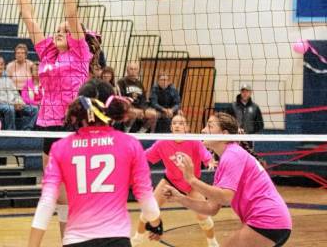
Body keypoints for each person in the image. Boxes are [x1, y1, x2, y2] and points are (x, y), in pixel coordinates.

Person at [3, 0, 93, 235]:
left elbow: (71, 14)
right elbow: (29, 18)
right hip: (48, 124)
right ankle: (68, 237)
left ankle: (83, 232)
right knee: (52, 185)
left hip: (74, 123)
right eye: (57, 30)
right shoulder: (47, 53)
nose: (59, 31)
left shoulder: (80, 52)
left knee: (76, 183)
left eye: (64, 31)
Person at [28, 80, 161, 247]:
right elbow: (145, 196)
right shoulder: (129, 144)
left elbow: (47, 202)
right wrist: (156, 223)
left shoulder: (61, 148)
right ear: (112, 106)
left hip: (77, 240)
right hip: (117, 239)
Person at [164, 112, 292, 247]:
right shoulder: (226, 160)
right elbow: (211, 208)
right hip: (273, 222)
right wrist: (179, 198)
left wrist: (191, 180)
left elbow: (226, 197)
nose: (203, 130)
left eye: (210, 126)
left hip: (267, 220)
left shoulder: (233, 154)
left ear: (224, 134)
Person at [132, 113, 218, 247]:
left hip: (191, 183)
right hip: (170, 181)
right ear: (171, 127)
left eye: (181, 123)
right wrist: (131, 158)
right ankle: (136, 240)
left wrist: (210, 162)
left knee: (203, 216)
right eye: (174, 123)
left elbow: (206, 156)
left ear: (187, 128)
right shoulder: (162, 142)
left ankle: (213, 243)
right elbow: (145, 156)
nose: (177, 125)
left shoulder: (194, 141)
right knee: (149, 210)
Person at [0, 56, 38, 131]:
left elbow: (16, 94)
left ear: (4, 66)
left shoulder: (9, 80)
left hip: (12, 104)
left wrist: (20, 102)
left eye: (1, 64)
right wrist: (12, 103)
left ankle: (27, 129)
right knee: (9, 108)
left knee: (34, 109)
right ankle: (10, 131)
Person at [118, 62, 156, 133]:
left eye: (135, 69)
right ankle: (126, 132)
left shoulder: (139, 83)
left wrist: (142, 110)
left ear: (138, 71)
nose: (133, 71)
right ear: (127, 70)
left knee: (153, 114)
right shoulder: (122, 82)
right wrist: (132, 108)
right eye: (131, 69)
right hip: (127, 107)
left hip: (139, 108)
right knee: (134, 113)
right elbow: (122, 98)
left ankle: (141, 133)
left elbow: (143, 99)